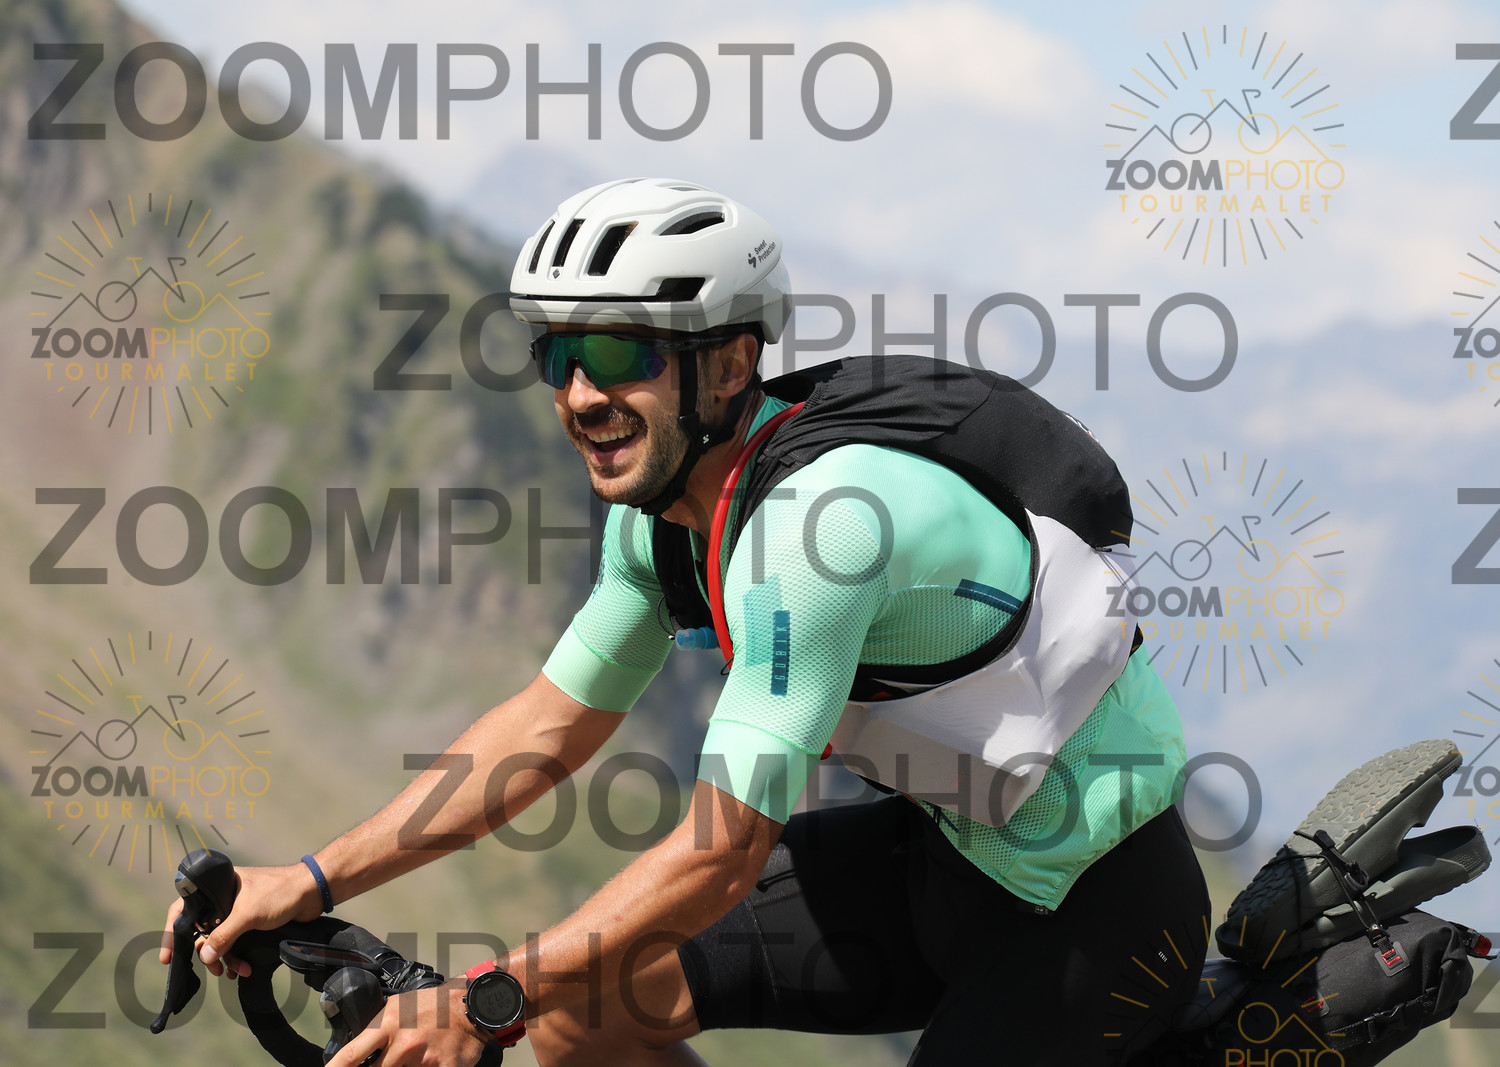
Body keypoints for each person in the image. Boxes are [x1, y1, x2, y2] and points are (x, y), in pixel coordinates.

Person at [162, 178, 1209, 1067]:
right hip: (934, 855)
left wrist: (483, 1000)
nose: (580, 395)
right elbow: (543, 729)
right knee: (579, 1009)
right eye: (559, 355)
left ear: (731, 364)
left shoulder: (820, 530)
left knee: (535, 995)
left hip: (1094, 905)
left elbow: (721, 852)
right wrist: (309, 880)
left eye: (622, 354)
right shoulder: (662, 521)